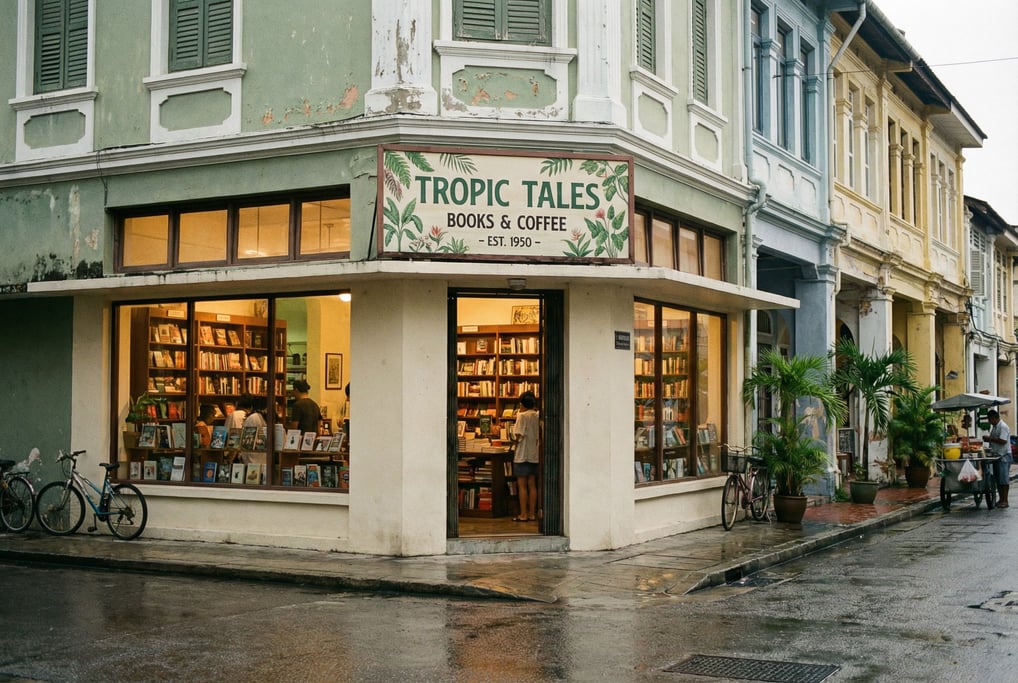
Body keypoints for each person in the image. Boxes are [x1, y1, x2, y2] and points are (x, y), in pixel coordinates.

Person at [511, 390, 540, 522]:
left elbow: (518, 435)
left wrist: (512, 441)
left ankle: (523, 514)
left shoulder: (521, 416)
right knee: (532, 484)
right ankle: (532, 513)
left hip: (522, 454)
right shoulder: (536, 415)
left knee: (522, 485)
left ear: (522, 404)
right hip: (534, 453)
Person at [982, 409, 1011, 508]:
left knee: (1004, 479)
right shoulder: (994, 427)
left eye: (990, 420)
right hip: (997, 455)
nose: (989, 422)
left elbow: (1003, 441)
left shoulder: (1003, 427)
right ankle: (1001, 499)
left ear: (994, 418)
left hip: (1004, 456)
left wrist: (990, 439)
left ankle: (1005, 500)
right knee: (998, 479)